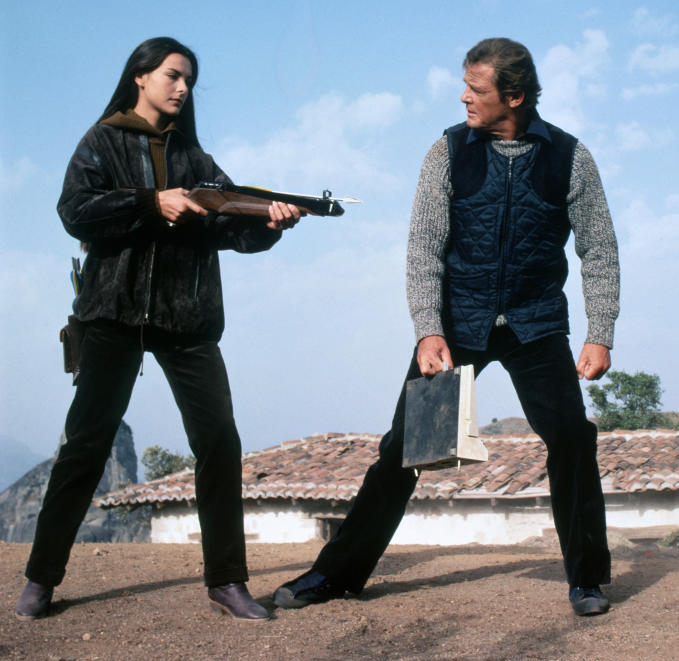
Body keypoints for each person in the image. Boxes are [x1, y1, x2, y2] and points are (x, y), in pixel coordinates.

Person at [274, 37, 620, 616]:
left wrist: (599, 330)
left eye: (476, 89)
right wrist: (427, 329)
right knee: (403, 449)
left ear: (513, 96)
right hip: (456, 324)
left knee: (571, 438)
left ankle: (587, 580)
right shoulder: (447, 151)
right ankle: (336, 575)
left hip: (536, 324)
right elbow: (424, 247)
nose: (464, 97)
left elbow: (600, 249)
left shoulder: (571, 157)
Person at [15, 37, 302, 622]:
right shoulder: (101, 142)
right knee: (85, 449)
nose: (182, 89)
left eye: (189, 80)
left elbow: (235, 231)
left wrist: (272, 222)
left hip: (187, 320)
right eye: (173, 75)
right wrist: (152, 203)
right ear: (140, 77)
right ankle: (41, 580)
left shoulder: (197, 159)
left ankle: (227, 582)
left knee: (219, 443)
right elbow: (75, 212)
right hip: (112, 316)